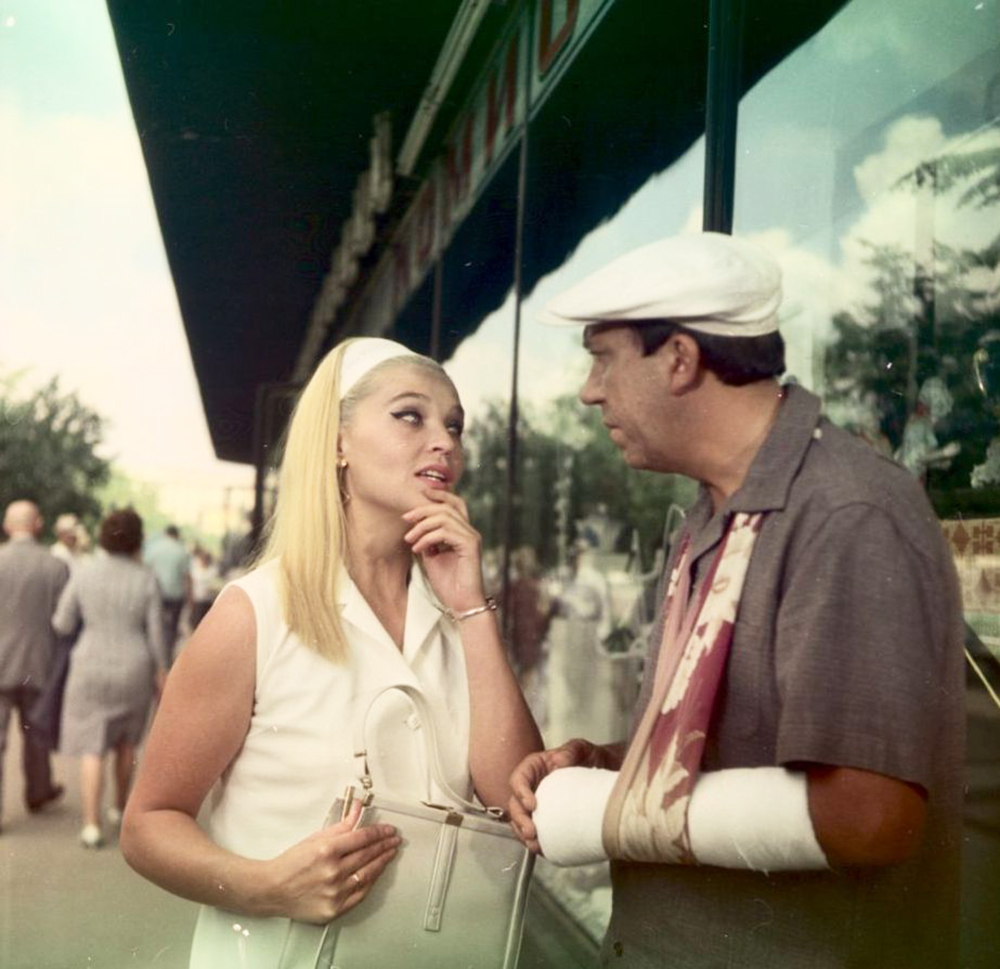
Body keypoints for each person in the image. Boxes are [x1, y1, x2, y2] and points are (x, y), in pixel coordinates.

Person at [508, 232, 966, 968]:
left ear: (680, 359)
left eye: (604, 358)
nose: (591, 390)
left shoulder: (846, 513)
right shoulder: (711, 512)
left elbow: (871, 815)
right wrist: (607, 764)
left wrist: (610, 811)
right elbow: (735, 752)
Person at [120, 337, 542, 967]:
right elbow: (148, 824)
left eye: (454, 425)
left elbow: (518, 803)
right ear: (338, 441)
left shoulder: (459, 615)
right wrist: (268, 887)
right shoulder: (254, 614)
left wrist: (472, 609)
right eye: (411, 416)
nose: (445, 442)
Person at [53, 508, 168, 848]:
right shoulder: (146, 578)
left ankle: (91, 825)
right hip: (134, 666)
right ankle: (119, 807)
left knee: (93, 747)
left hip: (89, 664)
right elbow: (157, 634)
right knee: (126, 743)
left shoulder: (84, 572)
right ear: (137, 539)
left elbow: (62, 622)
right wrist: (163, 670)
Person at [0, 500, 68, 829]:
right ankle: (39, 791)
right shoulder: (55, 567)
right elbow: (64, 621)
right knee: (36, 732)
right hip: (39, 662)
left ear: (6, 525)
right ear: (38, 524)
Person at [143, 524, 191, 665]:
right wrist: (190, 598)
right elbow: (186, 577)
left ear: (165, 533)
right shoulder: (181, 551)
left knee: (155, 626)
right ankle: (167, 659)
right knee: (172, 629)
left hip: (156, 595)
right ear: (177, 535)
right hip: (176, 596)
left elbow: (145, 571)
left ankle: (155, 658)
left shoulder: (153, 549)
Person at [188, 547, 221, 629]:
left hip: (209, 601)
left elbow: (216, 584)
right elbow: (191, 585)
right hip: (198, 600)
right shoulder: (195, 570)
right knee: (196, 623)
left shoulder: (213, 570)